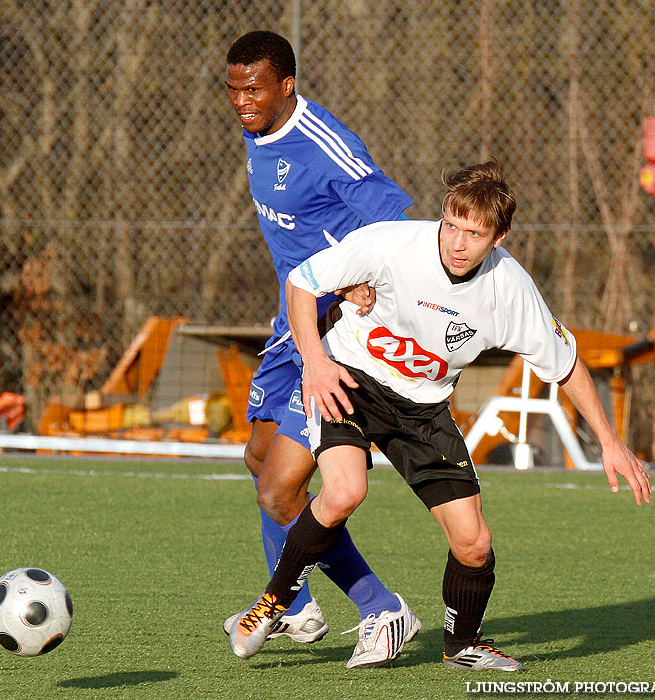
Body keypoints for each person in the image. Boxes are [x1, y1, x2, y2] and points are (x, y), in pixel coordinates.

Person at [228, 160, 652, 670]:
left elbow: (567, 365)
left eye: (473, 234)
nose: (456, 243)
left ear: (499, 238)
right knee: (343, 491)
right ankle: (271, 606)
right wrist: (316, 362)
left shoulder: (509, 289)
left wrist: (608, 440)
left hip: (424, 409)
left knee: (475, 543)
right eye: (451, 225)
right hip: (350, 379)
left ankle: (463, 645)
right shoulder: (393, 244)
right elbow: (302, 283)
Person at [224, 30, 421, 668]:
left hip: (334, 332)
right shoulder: (258, 132)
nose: (240, 102)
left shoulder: (324, 144)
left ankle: (380, 608)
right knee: (258, 458)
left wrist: (364, 282)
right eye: (232, 89)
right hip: (293, 323)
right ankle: (299, 607)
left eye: (252, 89)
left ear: (287, 85)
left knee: (281, 492)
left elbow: (393, 215)